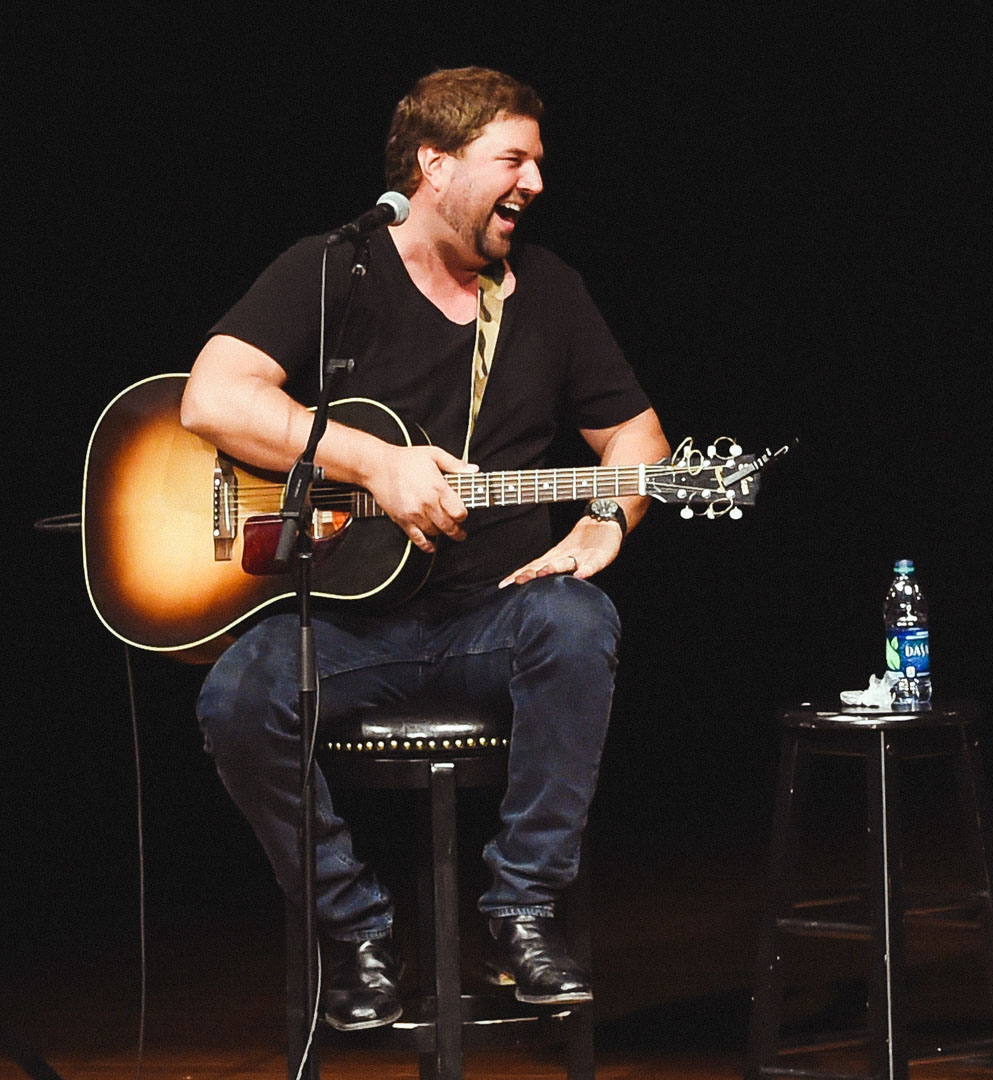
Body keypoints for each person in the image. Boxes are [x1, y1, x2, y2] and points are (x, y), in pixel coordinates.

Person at [182, 67, 669, 1031]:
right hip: (352, 628)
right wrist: (376, 464)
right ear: (433, 166)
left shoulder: (550, 293)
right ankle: (353, 933)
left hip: (493, 617)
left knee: (578, 623)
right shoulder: (335, 271)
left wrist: (605, 521)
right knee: (237, 695)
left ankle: (521, 915)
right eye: (512, 159)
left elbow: (639, 441)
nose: (533, 181)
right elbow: (212, 397)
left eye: (539, 160)